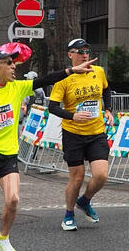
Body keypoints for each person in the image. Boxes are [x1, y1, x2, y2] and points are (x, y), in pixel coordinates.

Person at [0, 47, 97, 251]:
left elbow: (46, 79)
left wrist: (72, 70)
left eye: (13, 64)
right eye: (9, 63)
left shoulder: (17, 87)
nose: (14, 67)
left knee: (13, 199)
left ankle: (3, 239)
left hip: (7, 153)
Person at [48, 39, 114, 231]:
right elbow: (52, 107)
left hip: (96, 132)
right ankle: (68, 214)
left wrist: (108, 109)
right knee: (77, 178)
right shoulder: (64, 78)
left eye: (87, 51)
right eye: (80, 51)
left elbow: (106, 89)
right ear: (71, 55)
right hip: (73, 133)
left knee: (101, 175)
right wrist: (72, 116)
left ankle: (84, 201)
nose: (85, 55)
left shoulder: (98, 71)